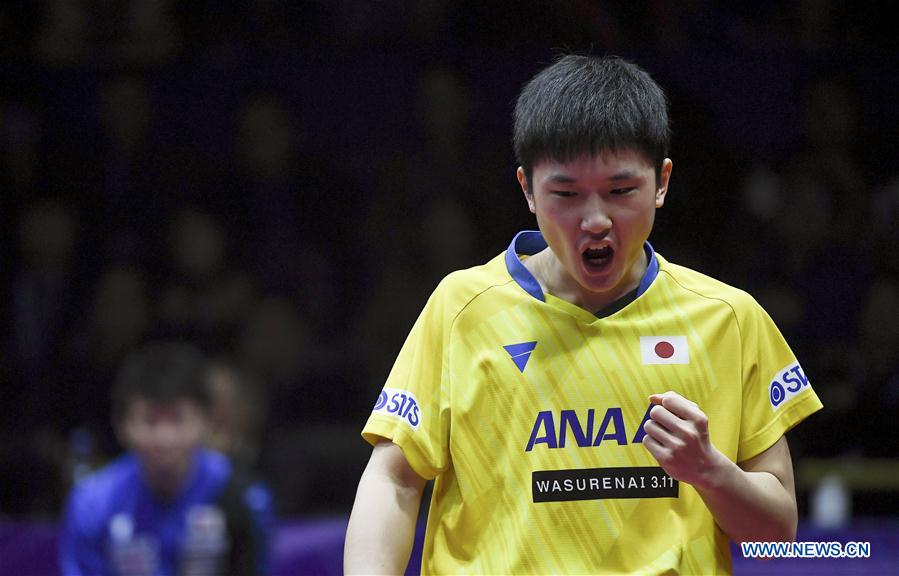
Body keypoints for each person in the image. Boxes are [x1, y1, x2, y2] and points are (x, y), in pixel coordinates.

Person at [344, 54, 823, 575]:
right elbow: (393, 480)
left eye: (621, 192)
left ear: (661, 182)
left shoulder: (728, 318)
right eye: (566, 194)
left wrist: (709, 471)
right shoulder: (462, 309)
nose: (595, 220)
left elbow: (779, 532)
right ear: (527, 189)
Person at [60, 341, 273, 576]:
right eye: (150, 421)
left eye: (178, 420)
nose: (164, 438)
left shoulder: (241, 495)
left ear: (205, 422)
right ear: (121, 425)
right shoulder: (92, 502)